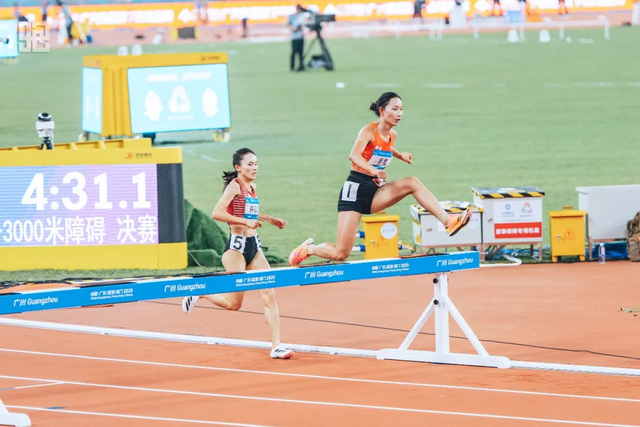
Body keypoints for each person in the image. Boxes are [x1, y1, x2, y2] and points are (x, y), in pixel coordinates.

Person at [289, 92, 472, 266]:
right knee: (341, 254)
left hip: (375, 190)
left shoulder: (392, 135)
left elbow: (384, 148)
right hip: (355, 190)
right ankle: (309, 248)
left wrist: (400, 155)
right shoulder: (368, 130)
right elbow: (354, 155)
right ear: (382, 111)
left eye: (401, 109)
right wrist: (373, 170)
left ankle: (448, 221)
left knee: (412, 182)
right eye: (395, 109)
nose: (399, 114)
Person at [182, 148, 294, 360]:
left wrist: (269, 219)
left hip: (254, 247)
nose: (255, 168)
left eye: (256, 164)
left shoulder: (252, 187)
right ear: (238, 167)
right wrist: (244, 222)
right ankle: (202, 291)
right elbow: (217, 213)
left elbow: (249, 213)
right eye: (250, 164)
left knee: (269, 294)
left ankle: (276, 346)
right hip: (236, 250)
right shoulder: (234, 186)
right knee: (234, 304)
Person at [287, 5, 306, 72]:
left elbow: (304, 24)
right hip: (294, 37)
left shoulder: (302, 16)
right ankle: (292, 67)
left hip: (301, 36)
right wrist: (293, 28)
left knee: (301, 53)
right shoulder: (292, 16)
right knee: (294, 52)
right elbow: (288, 24)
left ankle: (301, 66)